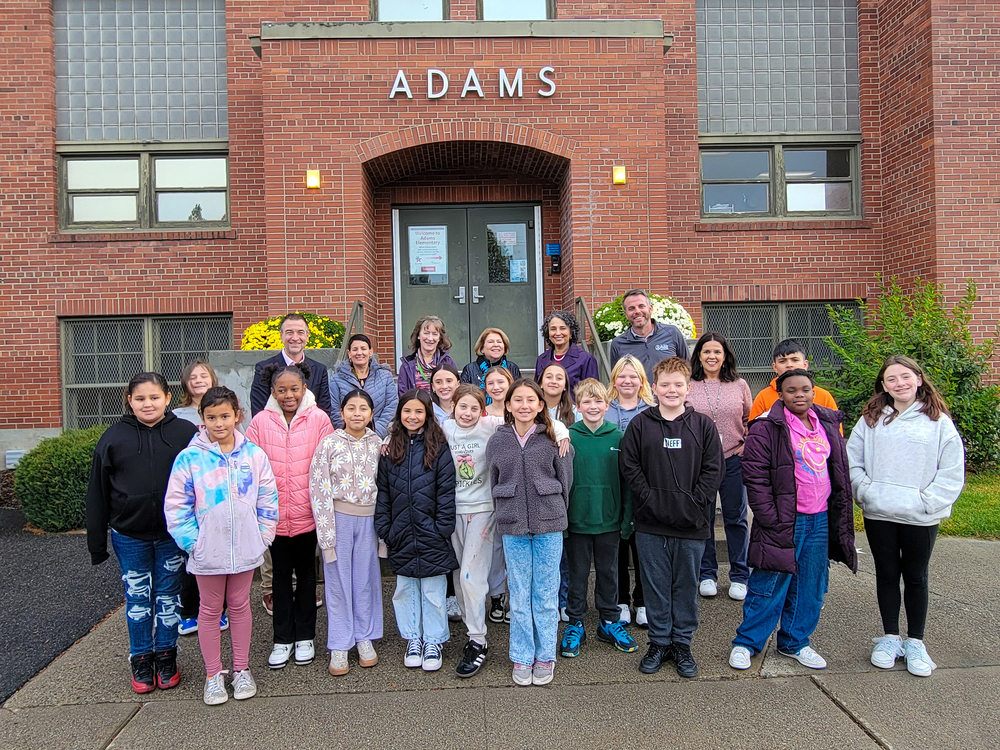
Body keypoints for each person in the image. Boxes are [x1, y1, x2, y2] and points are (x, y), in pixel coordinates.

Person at [729, 369, 857, 673]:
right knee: (769, 583)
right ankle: (746, 643)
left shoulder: (826, 422)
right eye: (791, 390)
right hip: (784, 520)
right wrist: (770, 517)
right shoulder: (766, 427)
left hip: (820, 519)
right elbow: (755, 477)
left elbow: (838, 469)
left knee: (810, 585)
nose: (799, 395)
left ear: (814, 392)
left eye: (805, 389)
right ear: (781, 394)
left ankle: (795, 642)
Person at [846, 356, 964, 678]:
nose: (899, 383)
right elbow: (852, 460)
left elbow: (951, 471)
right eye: (891, 379)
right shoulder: (870, 420)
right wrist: (866, 491)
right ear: (883, 386)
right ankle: (889, 637)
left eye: (905, 377)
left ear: (919, 379)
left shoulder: (938, 422)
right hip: (879, 512)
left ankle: (915, 642)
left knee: (915, 577)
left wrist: (927, 502)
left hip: (920, 517)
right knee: (886, 575)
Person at [164, 386, 279, 706]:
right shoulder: (190, 458)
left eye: (225, 416)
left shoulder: (254, 455)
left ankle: (241, 670)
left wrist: (262, 537)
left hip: (245, 549)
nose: (219, 423)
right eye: (211, 417)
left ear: (237, 415)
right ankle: (213, 675)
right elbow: (177, 507)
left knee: (241, 606)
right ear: (201, 418)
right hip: (207, 552)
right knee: (210, 610)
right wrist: (193, 543)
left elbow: (268, 499)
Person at [85, 372, 198, 694]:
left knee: (168, 597)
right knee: (137, 599)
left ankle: (166, 655)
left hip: (172, 535)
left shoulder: (185, 433)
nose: (147, 404)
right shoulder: (113, 438)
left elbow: (203, 482)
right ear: (129, 401)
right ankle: (141, 658)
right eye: (140, 398)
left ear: (166, 398)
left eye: (154, 397)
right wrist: (97, 543)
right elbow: (98, 492)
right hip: (129, 534)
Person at [619, 358, 724, 678]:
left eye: (678, 384)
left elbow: (713, 469)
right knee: (656, 585)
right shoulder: (641, 424)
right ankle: (659, 642)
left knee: (685, 585)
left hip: (691, 524)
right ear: (654, 387)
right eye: (665, 384)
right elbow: (629, 466)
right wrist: (649, 499)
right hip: (650, 524)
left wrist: (695, 503)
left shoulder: (703, 425)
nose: (671, 390)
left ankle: (682, 643)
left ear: (688, 387)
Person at [246, 362, 333, 670]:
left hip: (308, 514)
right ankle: (282, 639)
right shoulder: (260, 422)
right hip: (274, 518)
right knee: (280, 579)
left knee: (308, 577)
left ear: (304, 389)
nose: (288, 395)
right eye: (281, 390)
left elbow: (328, 463)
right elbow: (249, 467)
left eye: (294, 389)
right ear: (272, 392)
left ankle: (306, 636)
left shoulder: (319, 419)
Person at [488, 379, 574, 687]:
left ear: (540, 405)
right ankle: (522, 655)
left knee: (546, 593)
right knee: (520, 593)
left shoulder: (555, 438)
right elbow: (494, 481)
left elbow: (566, 482)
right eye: (518, 400)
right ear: (508, 405)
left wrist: (554, 511)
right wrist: (505, 512)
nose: (524, 405)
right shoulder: (497, 441)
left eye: (531, 400)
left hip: (549, 524)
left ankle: (545, 655)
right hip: (513, 525)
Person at [374, 389, 458, 672]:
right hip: (400, 531)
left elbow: (446, 491)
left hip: (432, 532)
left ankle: (433, 640)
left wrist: (442, 527)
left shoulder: (439, 447)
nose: (412, 416)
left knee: (434, 590)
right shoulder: (390, 449)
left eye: (419, 411)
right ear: (399, 413)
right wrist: (385, 527)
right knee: (405, 589)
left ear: (428, 414)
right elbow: (383, 492)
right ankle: (413, 638)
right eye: (407, 411)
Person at [560, 379, 637, 659]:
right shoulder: (568, 437)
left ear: (607, 405)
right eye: (586, 402)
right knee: (577, 575)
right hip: (577, 521)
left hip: (609, 520)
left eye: (598, 401)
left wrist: (627, 518)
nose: (593, 407)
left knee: (609, 574)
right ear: (578, 406)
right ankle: (575, 622)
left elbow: (628, 482)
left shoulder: (618, 437)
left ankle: (609, 621)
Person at [310, 389, 385, 677]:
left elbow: (385, 487)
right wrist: (326, 538)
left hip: (368, 522)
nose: (357, 413)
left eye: (363, 408)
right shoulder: (328, 444)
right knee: (339, 583)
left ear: (371, 413)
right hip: (339, 520)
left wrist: (383, 537)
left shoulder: (378, 444)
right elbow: (319, 491)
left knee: (365, 581)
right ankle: (340, 643)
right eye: (351, 408)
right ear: (341, 413)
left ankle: (364, 637)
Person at [443, 385, 504, 677]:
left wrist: (564, 432)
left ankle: (479, 640)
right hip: (454, 510)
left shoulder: (490, 425)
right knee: (459, 577)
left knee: (471, 576)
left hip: (483, 510)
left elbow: (531, 419)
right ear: (453, 405)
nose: (467, 413)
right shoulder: (445, 428)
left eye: (473, 408)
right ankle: (473, 633)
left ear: (482, 410)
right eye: (462, 406)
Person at [688, 332, 752, 601]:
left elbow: (749, 419)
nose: (712, 356)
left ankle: (739, 575)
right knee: (702, 518)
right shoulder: (688, 384)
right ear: (698, 356)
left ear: (725, 355)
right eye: (706, 352)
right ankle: (707, 573)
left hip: (733, 459)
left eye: (717, 352)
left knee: (736, 518)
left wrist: (745, 444)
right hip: (698, 463)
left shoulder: (739, 385)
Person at [171, 359, 229, 638]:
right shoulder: (177, 415)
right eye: (192, 377)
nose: (198, 381)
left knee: (222, 554)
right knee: (192, 552)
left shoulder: (223, 408)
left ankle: (220, 610)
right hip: (191, 488)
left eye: (203, 376)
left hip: (219, 490)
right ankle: (189, 611)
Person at [605, 354, 655, 627]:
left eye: (633, 376)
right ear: (614, 380)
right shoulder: (605, 408)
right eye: (622, 376)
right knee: (618, 548)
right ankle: (621, 600)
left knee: (643, 546)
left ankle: (644, 601)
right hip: (613, 486)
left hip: (644, 487)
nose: (627, 381)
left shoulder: (652, 409)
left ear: (641, 380)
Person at [249, 313, 332, 420]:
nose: (295, 338)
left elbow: (324, 411)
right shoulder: (264, 368)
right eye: (289, 332)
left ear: (307, 336)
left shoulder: (319, 370)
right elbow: (259, 412)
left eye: (300, 332)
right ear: (281, 335)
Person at [748, 339, 839, 422]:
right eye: (782, 361)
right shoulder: (763, 397)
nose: (789, 365)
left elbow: (835, 433)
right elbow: (754, 432)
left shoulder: (824, 396)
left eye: (794, 360)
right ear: (775, 367)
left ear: (805, 364)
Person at [329, 334, 398, 438]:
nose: (359, 353)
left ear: (370, 352)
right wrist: (351, 434)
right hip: (348, 439)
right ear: (349, 353)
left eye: (363, 349)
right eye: (355, 349)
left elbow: (391, 406)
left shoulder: (385, 376)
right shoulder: (336, 379)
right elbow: (335, 411)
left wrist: (375, 433)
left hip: (380, 437)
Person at [608, 289, 689, 378]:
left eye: (641, 306)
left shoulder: (672, 333)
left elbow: (687, 368)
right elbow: (617, 379)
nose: (637, 311)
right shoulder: (618, 344)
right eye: (631, 308)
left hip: (668, 392)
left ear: (650, 309)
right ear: (626, 314)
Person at [533, 311, 598, 391]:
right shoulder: (541, 359)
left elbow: (593, 393)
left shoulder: (586, 359)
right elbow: (536, 390)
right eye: (553, 329)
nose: (557, 333)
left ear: (571, 332)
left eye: (562, 328)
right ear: (548, 333)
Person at [398, 315, 457, 396]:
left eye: (435, 334)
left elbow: (456, 391)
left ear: (439, 338)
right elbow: (403, 396)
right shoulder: (407, 365)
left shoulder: (448, 362)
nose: (430, 338)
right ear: (418, 335)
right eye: (426, 333)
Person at [539, 362, 579, 430]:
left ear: (565, 386)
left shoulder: (575, 411)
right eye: (549, 377)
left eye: (559, 378)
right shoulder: (532, 409)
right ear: (541, 384)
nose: (554, 381)